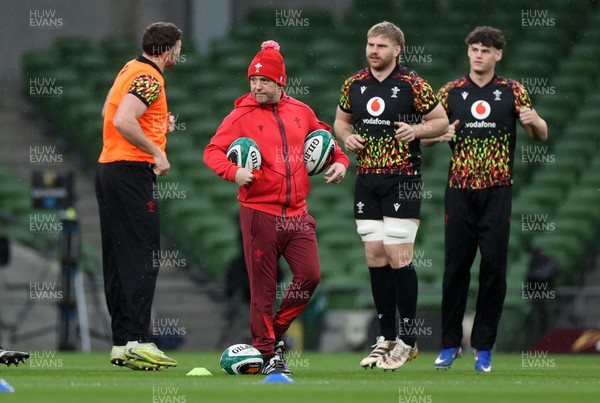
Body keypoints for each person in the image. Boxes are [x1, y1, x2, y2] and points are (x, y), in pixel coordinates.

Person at [204, 40, 349, 375]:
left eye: (264, 81)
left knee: (310, 276)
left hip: (298, 214)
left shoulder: (301, 111)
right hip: (259, 214)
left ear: (280, 82)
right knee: (263, 291)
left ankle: (273, 333)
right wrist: (233, 172)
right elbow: (211, 151)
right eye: (253, 81)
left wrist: (340, 161)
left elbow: (326, 139)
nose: (257, 86)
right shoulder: (239, 115)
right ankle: (270, 355)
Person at [423, 26, 548, 372]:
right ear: (468, 53)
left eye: (485, 50)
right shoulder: (450, 92)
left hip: (497, 191)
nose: (478, 55)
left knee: (493, 270)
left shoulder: (512, 91)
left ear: (497, 55)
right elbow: (424, 135)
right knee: (455, 270)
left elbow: (541, 134)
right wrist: (437, 135)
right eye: (474, 49)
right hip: (459, 191)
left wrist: (535, 120)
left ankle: (484, 349)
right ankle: (449, 345)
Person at [334, 21, 449, 371]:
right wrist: (346, 137)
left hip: (403, 178)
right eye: (370, 44)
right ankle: (385, 339)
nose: (373, 50)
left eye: (381, 46)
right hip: (367, 179)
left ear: (397, 50)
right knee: (374, 254)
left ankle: (409, 341)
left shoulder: (413, 84)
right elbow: (341, 121)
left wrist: (416, 129)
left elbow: (441, 122)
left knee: (399, 253)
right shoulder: (353, 84)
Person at [95, 22, 182, 371]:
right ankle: (138, 340)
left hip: (109, 171)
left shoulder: (129, 69)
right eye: (177, 48)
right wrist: (157, 151)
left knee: (117, 258)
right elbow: (122, 119)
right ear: (166, 50)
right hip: (131, 172)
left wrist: (158, 125)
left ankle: (120, 342)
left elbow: (108, 113)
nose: (179, 54)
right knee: (143, 255)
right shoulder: (150, 77)